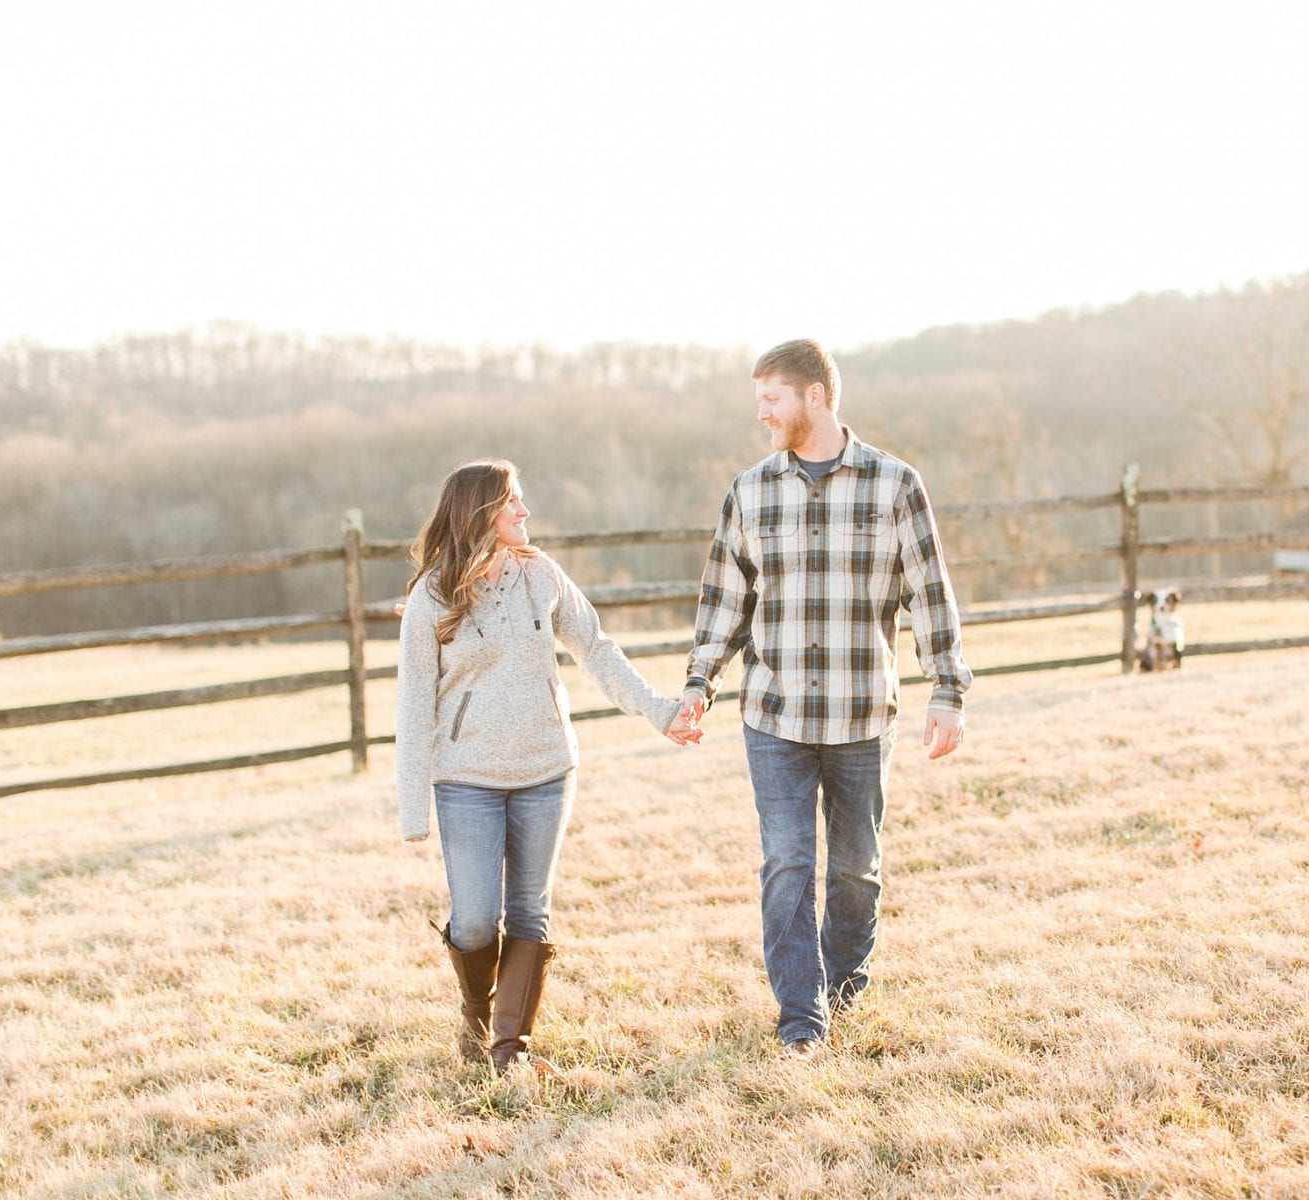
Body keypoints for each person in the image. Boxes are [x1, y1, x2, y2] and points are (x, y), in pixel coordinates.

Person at [669, 339, 973, 1059]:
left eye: (772, 399)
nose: (763, 415)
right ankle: (801, 1018)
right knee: (787, 863)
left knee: (856, 869)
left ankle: (844, 989)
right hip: (774, 715)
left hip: (863, 714)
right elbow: (724, 600)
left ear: (815, 396)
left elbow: (931, 591)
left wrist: (948, 688)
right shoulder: (750, 491)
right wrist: (698, 682)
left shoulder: (894, 484)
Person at [396, 458, 698, 1072]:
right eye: (514, 503)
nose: (525, 513)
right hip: (467, 779)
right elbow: (412, 705)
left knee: (530, 910)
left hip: (546, 770)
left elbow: (598, 651)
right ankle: (477, 1017)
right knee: (477, 920)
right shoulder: (432, 597)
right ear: (482, 513)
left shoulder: (543, 578)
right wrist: (411, 805)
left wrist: (659, 711)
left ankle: (510, 1052)